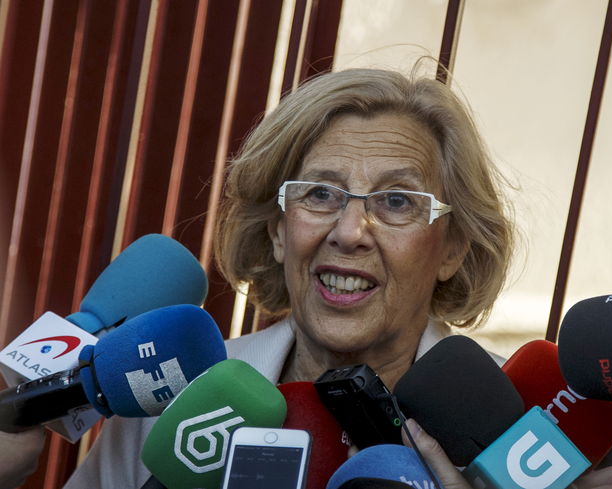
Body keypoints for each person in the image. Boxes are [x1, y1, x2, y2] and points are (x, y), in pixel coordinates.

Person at [2, 67, 513, 488]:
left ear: (451, 249)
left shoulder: (522, 427)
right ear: (277, 233)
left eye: (397, 201)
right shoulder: (170, 399)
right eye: (319, 194)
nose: (351, 231)